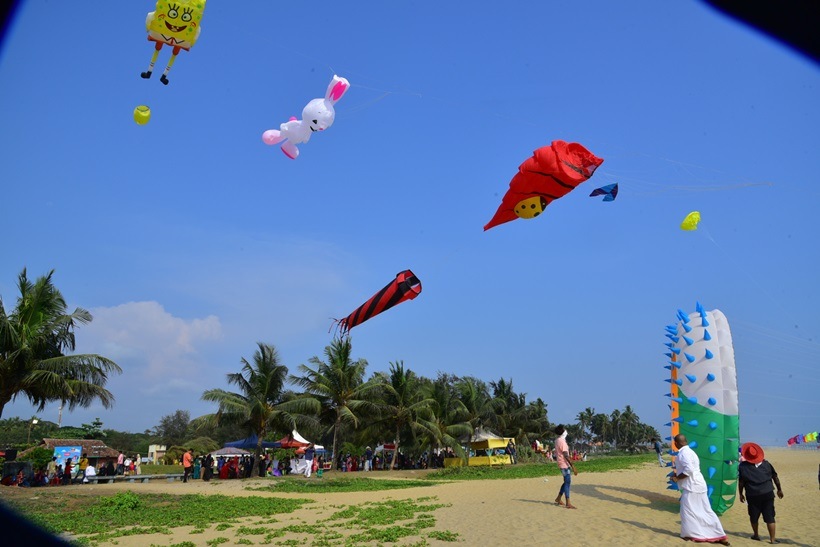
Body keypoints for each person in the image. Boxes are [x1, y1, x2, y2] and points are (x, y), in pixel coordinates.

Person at [670, 434, 730, 545]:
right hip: (698, 484)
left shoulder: (683, 453)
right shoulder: (691, 452)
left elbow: (689, 470)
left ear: (676, 443)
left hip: (692, 486)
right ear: (686, 441)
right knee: (705, 510)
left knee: (687, 511)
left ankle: (691, 534)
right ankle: (719, 535)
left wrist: (677, 478)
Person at [738, 442, 783, 544]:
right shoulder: (766, 464)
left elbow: (741, 482)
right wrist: (779, 489)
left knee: (753, 516)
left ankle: (756, 535)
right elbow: (775, 477)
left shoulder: (743, 467)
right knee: (770, 516)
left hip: (752, 494)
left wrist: (740, 494)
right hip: (767, 493)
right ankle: (772, 539)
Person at [553, 425, 578, 509]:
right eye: (564, 430)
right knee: (567, 482)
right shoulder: (562, 441)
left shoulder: (557, 440)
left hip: (561, 463)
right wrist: (573, 466)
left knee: (566, 481)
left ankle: (558, 498)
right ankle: (568, 502)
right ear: (563, 432)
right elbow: (566, 455)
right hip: (564, 464)